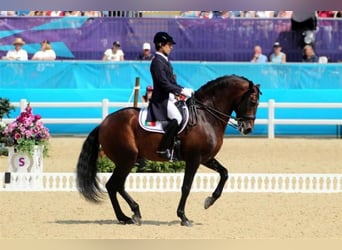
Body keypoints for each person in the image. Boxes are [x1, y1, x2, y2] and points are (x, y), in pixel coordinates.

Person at [146, 31, 194, 160]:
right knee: (177, 118)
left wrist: (181, 89)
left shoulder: (164, 61)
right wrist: (181, 91)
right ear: (160, 45)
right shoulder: (157, 62)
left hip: (170, 97)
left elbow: (171, 82)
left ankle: (177, 145)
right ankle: (163, 149)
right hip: (162, 99)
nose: (171, 47)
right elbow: (163, 84)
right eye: (169, 44)